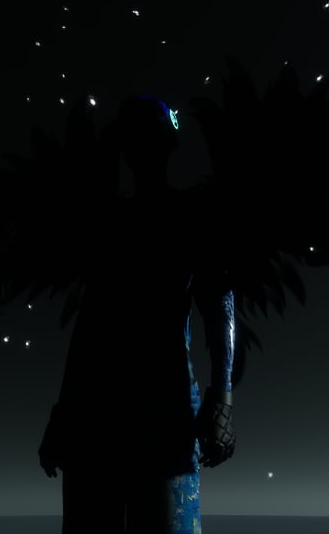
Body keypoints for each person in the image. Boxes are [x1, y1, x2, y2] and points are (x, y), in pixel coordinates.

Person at [37, 95, 237, 534]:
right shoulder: (118, 225)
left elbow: (219, 300)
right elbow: (90, 325)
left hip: (150, 415)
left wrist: (221, 397)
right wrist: (221, 398)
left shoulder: (178, 218)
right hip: (117, 417)